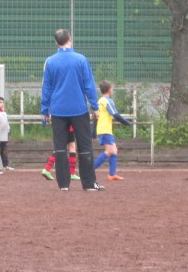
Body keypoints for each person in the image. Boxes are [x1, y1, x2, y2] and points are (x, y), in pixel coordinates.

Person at [40, 29, 103, 191]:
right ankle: (89, 184)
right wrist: (95, 107)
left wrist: (44, 110)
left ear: (56, 42)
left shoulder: (50, 61)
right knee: (85, 146)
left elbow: (46, 87)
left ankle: (63, 185)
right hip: (78, 109)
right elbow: (88, 85)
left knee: (60, 147)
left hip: (58, 110)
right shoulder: (81, 59)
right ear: (70, 39)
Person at [94, 80, 132, 181]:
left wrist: (93, 130)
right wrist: (127, 122)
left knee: (114, 150)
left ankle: (112, 174)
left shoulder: (99, 101)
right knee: (110, 151)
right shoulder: (107, 101)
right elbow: (115, 114)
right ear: (109, 90)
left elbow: (95, 116)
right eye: (112, 88)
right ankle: (90, 169)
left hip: (103, 129)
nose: (113, 90)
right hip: (105, 129)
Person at [0, 96, 14, 171]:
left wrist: (8, 131)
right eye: (0, 102)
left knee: (4, 150)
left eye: (3, 102)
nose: (2, 104)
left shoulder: (4, 112)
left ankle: (6, 165)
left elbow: (6, 123)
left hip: (5, 135)